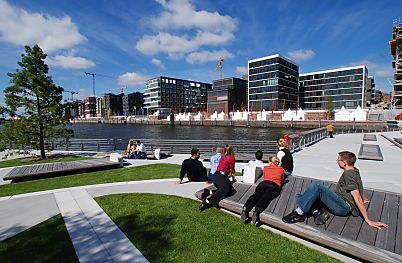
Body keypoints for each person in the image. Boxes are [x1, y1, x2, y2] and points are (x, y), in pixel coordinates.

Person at [282, 151, 389, 229]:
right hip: (339, 200)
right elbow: (358, 186)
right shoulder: (354, 170)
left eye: (338, 160)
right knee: (300, 196)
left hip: (343, 207)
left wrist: (368, 220)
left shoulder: (349, 175)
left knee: (316, 186)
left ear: (344, 163)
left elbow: (356, 197)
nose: (337, 161)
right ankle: (316, 212)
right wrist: (361, 196)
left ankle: (299, 214)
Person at [241, 156, 284, 225]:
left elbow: (265, 176)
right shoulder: (281, 169)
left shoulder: (265, 168)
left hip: (263, 183)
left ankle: (246, 207)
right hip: (274, 185)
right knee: (266, 197)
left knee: (256, 195)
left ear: (270, 162)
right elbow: (281, 179)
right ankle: (257, 209)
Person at [199, 145, 236, 211]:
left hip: (216, 176)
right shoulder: (231, 158)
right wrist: (233, 178)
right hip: (220, 176)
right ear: (231, 150)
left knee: (231, 190)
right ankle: (208, 201)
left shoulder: (223, 156)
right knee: (227, 188)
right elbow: (232, 170)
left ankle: (208, 192)